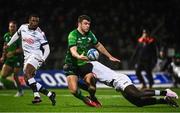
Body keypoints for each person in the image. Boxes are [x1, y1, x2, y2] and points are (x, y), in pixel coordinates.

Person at [63, 15, 120, 107]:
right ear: (79, 24)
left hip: (83, 64)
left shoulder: (90, 34)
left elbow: (98, 45)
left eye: (89, 24)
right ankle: (86, 100)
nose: (88, 26)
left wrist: (109, 56)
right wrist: (78, 56)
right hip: (71, 65)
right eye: (85, 24)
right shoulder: (73, 34)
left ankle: (92, 97)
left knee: (92, 82)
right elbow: (73, 50)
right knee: (74, 90)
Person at [4, 14, 56, 106]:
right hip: (27, 57)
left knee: (28, 72)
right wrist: (8, 44)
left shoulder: (40, 33)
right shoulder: (23, 27)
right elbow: (16, 35)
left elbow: (47, 49)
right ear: (29, 21)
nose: (35, 23)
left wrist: (43, 59)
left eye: (37, 21)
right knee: (28, 80)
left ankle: (37, 96)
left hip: (36, 55)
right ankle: (50, 94)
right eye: (33, 20)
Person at [78, 61, 179, 107]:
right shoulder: (92, 65)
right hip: (117, 84)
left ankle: (165, 92)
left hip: (119, 80)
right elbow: (92, 83)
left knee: (137, 94)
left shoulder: (88, 66)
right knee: (138, 103)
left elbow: (90, 83)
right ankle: (164, 100)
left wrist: (78, 84)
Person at [0, 21, 24, 97]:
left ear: (16, 28)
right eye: (11, 26)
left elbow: (21, 50)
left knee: (15, 76)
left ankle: (20, 91)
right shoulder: (6, 36)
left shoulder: (19, 37)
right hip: (9, 59)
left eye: (13, 27)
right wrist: (3, 56)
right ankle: (11, 77)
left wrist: (12, 52)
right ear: (9, 27)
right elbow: (5, 47)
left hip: (17, 58)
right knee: (3, 75)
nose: (12, 28)